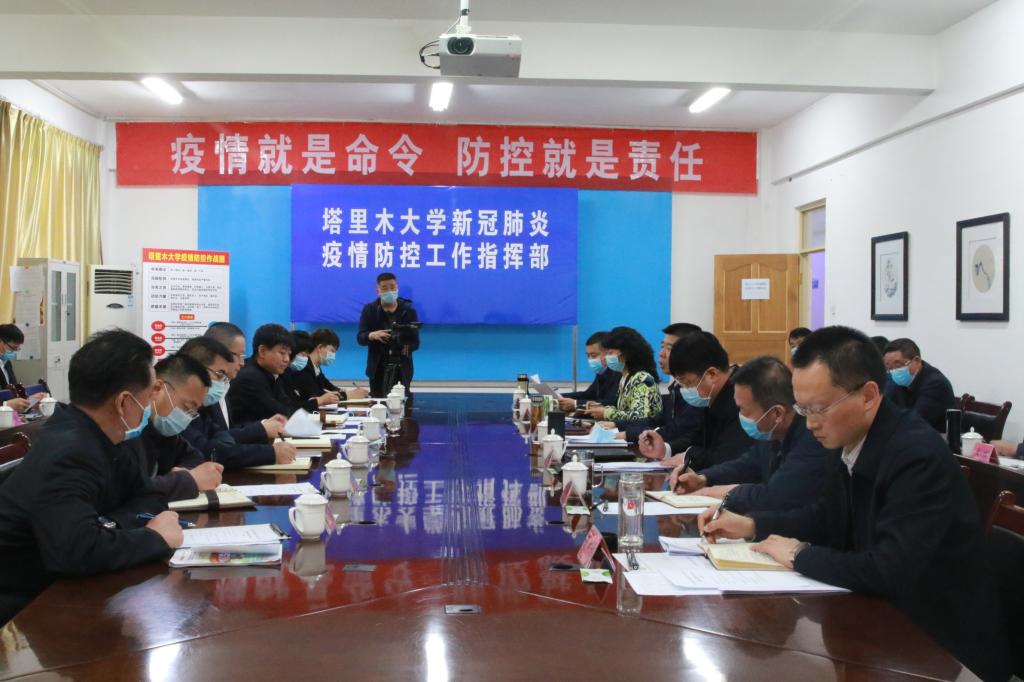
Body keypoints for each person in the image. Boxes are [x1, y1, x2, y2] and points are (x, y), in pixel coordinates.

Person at [699, 326, 1009, 682]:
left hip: (940, 646)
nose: (809, 424)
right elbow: (826, 517)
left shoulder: (916, 455)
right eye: (802, 408)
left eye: (818, 409)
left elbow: (887, 570)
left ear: (868, 395)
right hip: (883, 624)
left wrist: (799, 555)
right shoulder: (850, 437)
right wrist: (753, 525)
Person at [0, 330, 182, 624]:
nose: (152, 404)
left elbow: (150, 497)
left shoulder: (109, 436)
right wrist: (155, 538)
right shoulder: (70, 452)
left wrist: (106, 526)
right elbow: (76, 551)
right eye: (150, 394)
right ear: (124, 402)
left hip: (65, 591)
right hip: (25, 609)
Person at [669, 356, 838, 514]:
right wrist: (703, 478)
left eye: (743, 409)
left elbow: (774, 496)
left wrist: (712, 493)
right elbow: (747, 464)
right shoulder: (773, 433)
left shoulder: (813, 439)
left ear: (777, 414)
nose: (740, 416)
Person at [638, 331, 753, 469]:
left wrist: (688, 456)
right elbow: (697, 439)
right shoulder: (711, 394)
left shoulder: (743, 396)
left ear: (712, 374)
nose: (685, 390)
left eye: (687, 383)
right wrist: (665, 450)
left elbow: (729, 457)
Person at [179, 336, 296, 469]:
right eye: (219, 374)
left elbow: (222, 436)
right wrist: (270, 451)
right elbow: (209, 452)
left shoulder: (204, 401)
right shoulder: (178, 408)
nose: (242, 363)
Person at [122, 353, 223, 502]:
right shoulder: (127, 430)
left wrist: (185, 472)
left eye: (194, 412)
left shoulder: (163, 430)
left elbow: (194, 456)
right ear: (157, 389)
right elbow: (129, 491)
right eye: (187, 407)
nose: (187, 417)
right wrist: (186, 480)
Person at [612, 323, 703, 449]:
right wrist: (616, 425)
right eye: (662, 347)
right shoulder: (676, 387)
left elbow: (677, 430)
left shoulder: (698, 393)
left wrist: (628, 435)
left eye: (669, 348)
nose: (661, 354)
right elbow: (656, 421)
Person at [230, 324, 339, 425]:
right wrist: (320, 416)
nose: (287, 359)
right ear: (262, 351)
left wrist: (322, 417)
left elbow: (288, 405)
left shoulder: (272, 373)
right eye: (282, 353)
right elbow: (281, 413)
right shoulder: (250, 377)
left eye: (289, 354)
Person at [357, 272, 420, 397]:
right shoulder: (370, 310)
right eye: (385, 288)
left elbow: (416, 342)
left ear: (397, 288)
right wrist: (372, 335)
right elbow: (360, 338)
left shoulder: (408, 310)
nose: (389, 291)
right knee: (377, 402)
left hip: (402, 367)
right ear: (378, 291)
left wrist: (404, 344)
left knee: (402, 403)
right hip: (377, 367)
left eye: (392, 287)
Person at [582, 326, 661, 421]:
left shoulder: (642, 379)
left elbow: (640, 416)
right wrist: (601, 407)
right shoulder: (624, 377)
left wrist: (607, 413)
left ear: (626, 354)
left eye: (610, 353)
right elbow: (623, 409)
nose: (606, 358)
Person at [882, 338, 954, 432]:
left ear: (917, 361)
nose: (894, 371)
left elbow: (914, 422)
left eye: (898, 365)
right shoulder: (897, 380)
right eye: (889, 367)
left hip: (934, 437)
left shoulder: (936, 385)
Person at [283, 328, 369, 405]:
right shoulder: (303, 367)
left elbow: (330, 388)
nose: (333, 355)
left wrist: (347, 392)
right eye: (332, 351)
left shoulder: (316, 368)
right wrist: (347, 395)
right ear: (320, 347)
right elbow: (315, 395)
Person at [556, 331, 620, 411]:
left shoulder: (619, 373)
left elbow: (611, 402)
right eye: (588, 356)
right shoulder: (602, 372)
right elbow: (588, 395)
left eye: (593, 355)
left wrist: (576, 404)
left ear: (609, 353)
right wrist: (558, 396)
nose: (590, 360)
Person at [0, 324, 30, 413]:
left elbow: (14, 390)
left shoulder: (7, 363)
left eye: (17, 349)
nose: (14, 352)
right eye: (13, 348)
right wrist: (6, 405)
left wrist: (28, 400)